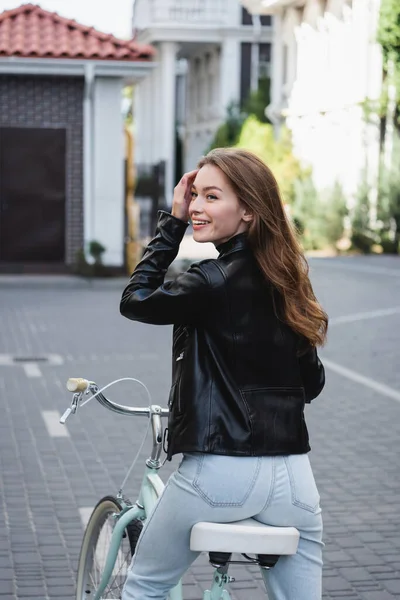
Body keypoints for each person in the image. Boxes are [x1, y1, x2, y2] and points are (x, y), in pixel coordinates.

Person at [120, 148, 328, 600]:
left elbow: (135, 299)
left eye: (211, 196)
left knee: (145, 586)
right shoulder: (289, 280)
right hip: (293, 479)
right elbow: (311, 382)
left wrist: (171, 225)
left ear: (249, 210)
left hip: (218, 472)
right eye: (193, 195)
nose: (195, 206)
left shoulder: (209, 279)